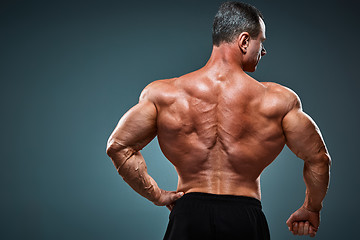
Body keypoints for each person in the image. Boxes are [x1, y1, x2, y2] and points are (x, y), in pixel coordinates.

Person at [106, 1, 331, 239]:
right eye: (261, 42)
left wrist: (158, 195)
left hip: (188, 215)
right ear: (244, 41)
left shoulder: (165, 94)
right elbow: (319, 158)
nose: (263, 51)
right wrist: (311, 208)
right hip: (244, 217)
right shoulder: (277, 100)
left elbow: (118, 146)